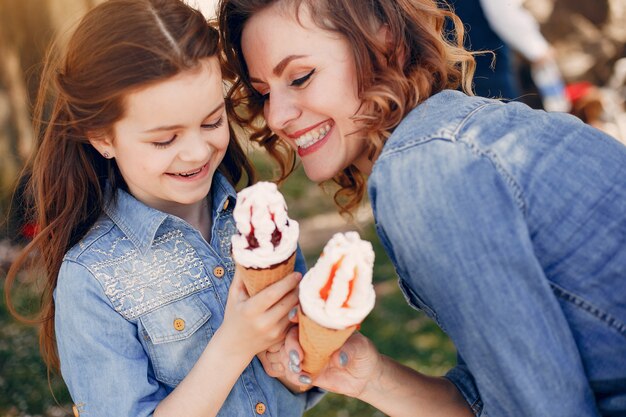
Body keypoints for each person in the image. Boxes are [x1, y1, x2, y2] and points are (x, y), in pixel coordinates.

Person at [217, 0, 626, 416]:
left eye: (300, 77)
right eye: (265, 93)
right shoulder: (451, 137)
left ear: (384, 45)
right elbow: (503, 397)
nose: (278, 117)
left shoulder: (424, 169)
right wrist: (371, 376)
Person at [4, 1, 322, 416]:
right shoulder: (92, 280)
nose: (195, 152)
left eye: (211, 122)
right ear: (102, 137)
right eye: (163, 140)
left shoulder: (259, 224)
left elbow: (302, 378)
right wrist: (234, 345)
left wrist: (301, 355)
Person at [451, 0, 571, 112]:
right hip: (485, 58)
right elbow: (504, 12)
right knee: (503, 112)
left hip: (455, 51)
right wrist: (536, 49)